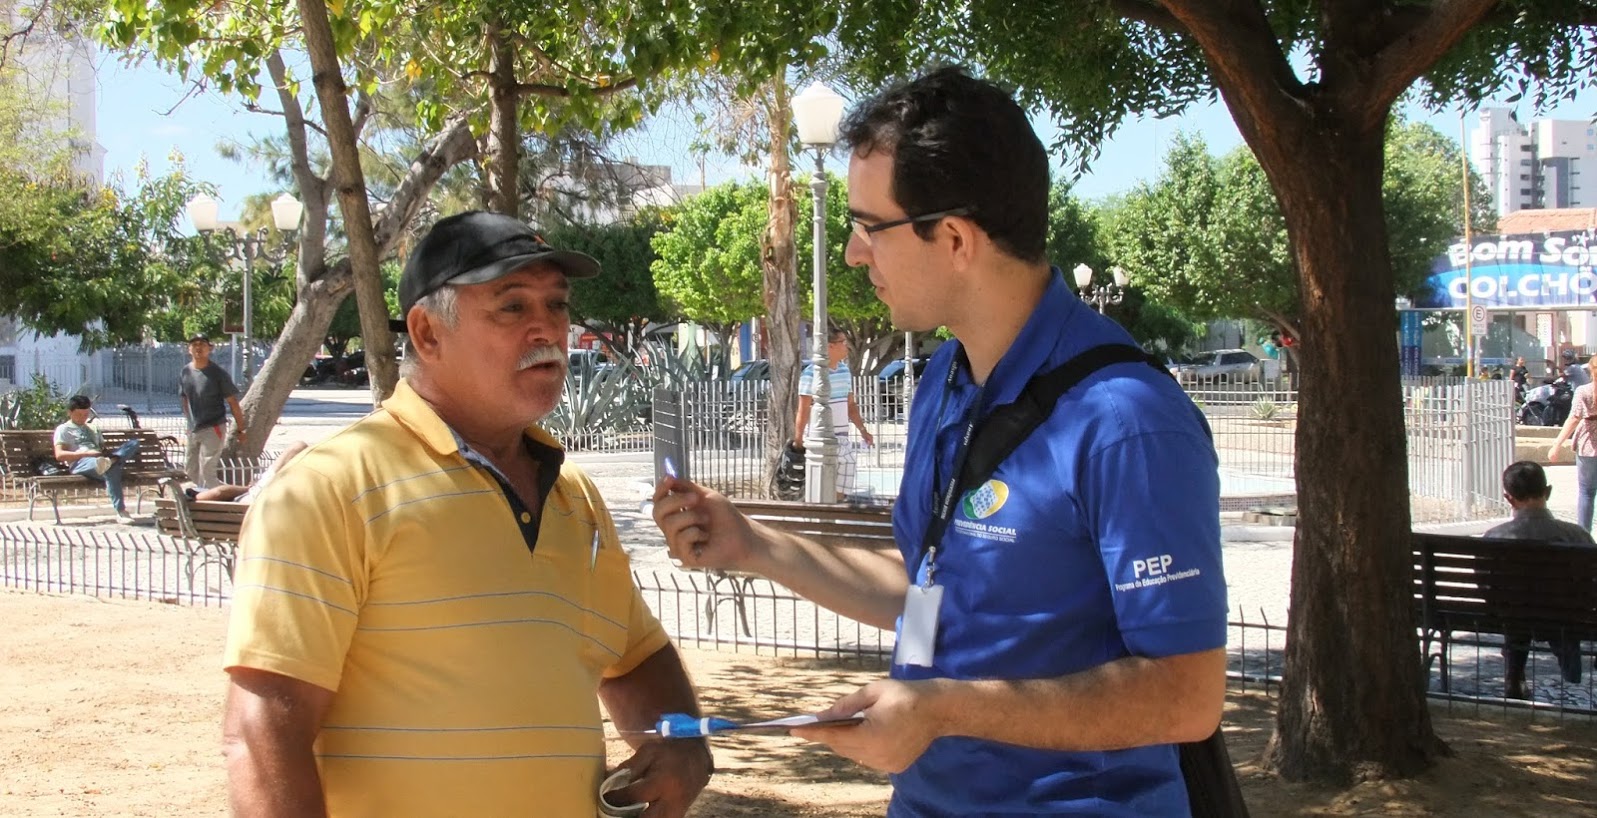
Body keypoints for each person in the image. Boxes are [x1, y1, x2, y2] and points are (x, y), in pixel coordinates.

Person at [653, 66, 1227, 816]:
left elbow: (1187, 696)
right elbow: (930, 592)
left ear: (954, 238)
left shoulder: (1126, 420)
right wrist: (756, 546)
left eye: (870, 226)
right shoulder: (945, 383)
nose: (854, 253)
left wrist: (944, 710)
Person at [222, 211, 712, 817]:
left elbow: (635, 656)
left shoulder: (575, 497)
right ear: (427, 333)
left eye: (557, 305)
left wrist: (683, 743)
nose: (547, 329)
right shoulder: (330, 488)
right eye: (512, 307)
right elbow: (264, 728)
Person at [1482, 461, 1593, 698]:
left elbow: (1486, 587)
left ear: (1508, 498)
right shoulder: (1577, 536)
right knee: (1562, 618)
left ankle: (1514, 677)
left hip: (1512, 615)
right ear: (1548, 492)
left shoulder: (1493, 537)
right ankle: (1573, 680)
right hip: (1567, 617)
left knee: (1517, 611)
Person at [793, 327, 875, 500]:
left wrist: (863, 430)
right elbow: (803, 408)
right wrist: (798, 440)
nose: (847, 346)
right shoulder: (811, 374)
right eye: (842, 342)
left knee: (844, 477)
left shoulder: (844, 371)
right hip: (820, 439)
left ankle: (836, 507)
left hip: (842, 438)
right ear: (829, 346)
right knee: (822, 485)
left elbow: (850, 404)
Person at [52, 395, 141, 523]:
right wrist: (86, 454)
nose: (83, 418)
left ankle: (110, 463)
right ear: (69, 413)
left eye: (86, 414)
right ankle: (121, 511)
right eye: (79, 414)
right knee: (110, 469)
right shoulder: (63, 429)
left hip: (100, 460)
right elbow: (59, 455)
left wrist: (107, 455)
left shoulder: (93, 428)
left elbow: (102, 449)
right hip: (81, 463)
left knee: (133, 443)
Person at [178, 333, 246, 489]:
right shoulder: (185, 372)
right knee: (191, 470)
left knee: (207, 472)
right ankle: (199, 497)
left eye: (202, 344)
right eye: (194, 345)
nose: (198, 348)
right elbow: (185, 399)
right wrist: (189, 424)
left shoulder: (218, 373)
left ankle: (220, 498)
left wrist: (241, 429)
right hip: (194, 429)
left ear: (210, 348)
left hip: (213, 427)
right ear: (189, 349)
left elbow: (233, 402)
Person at [1547, 352, 1597, 531]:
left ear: (1590, 370)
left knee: (1586, 491)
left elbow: (1574, 418)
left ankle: (1584, 535)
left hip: (1588, 445)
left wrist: (1556, 445)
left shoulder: (1583, 391)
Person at [188, 440, 308, 502]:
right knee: (298, 446)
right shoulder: (199, 499)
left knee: (298, 448)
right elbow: (219, 492)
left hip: (259, 499)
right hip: (257, 499)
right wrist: (249, 489)